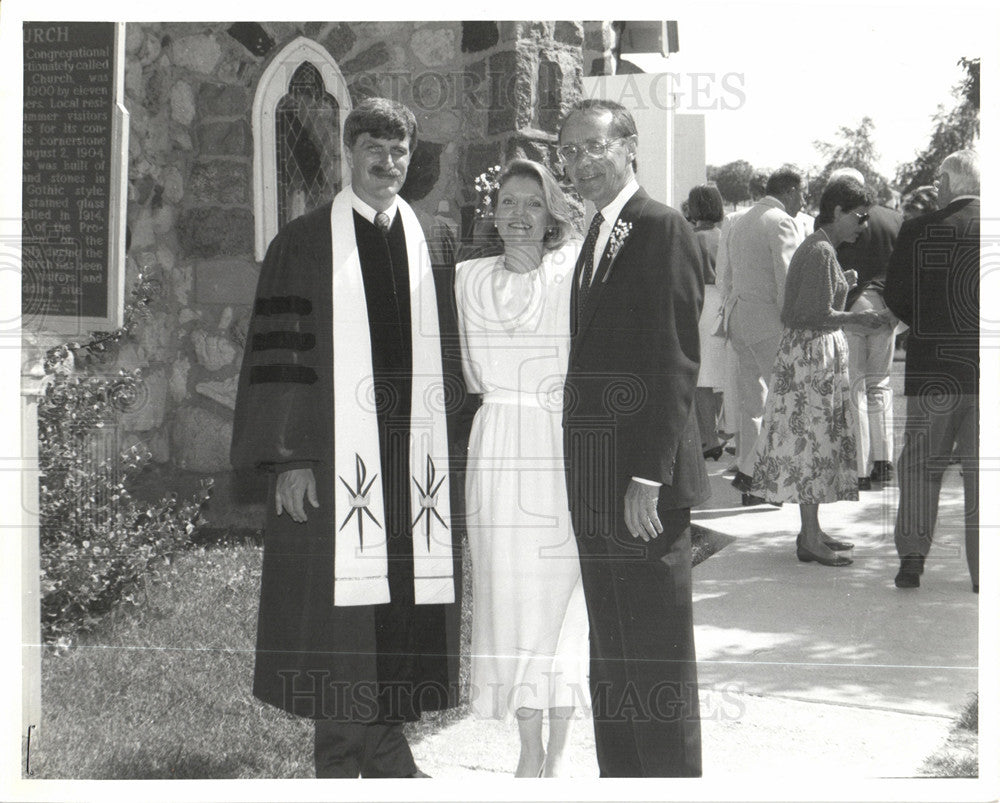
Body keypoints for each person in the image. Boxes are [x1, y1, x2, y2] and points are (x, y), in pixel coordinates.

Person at [230, 98, 461, 778]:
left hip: (412, 460)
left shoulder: (434, 241)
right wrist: (291, 456)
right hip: (335, 457)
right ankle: (336, 754)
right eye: (374, 151)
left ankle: (386, 744)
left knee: (401, 601)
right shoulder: (302, 244)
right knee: (340, 612)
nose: (388, 164)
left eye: (400, 153)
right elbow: (279, 359)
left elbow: (453, 353)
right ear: (347, 154)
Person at [558, 98, 709, 777]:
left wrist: (648, 472)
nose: (582, 161)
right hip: (596, 482)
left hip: (641, 486)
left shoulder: (660, 226)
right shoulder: (594, 234)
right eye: (570, 151)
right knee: (612, 649)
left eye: (595, 146)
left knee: (654, 651)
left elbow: (675, 357)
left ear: (629, 146)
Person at [455, 159, 587, 778]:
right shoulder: (463, 278)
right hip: (497, 450)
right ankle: (527, 746)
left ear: (553, 212)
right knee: (507, 597)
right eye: (507, 202)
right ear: (493, 210)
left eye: (533, 203)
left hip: (558, 447)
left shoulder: (573, 272)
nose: (518, 215)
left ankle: (556, 752)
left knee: (559, 600)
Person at [747, 178, 887, 566]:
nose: (862, 225)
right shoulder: (822, 251)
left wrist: (844, 286)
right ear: (838, 211)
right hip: (812, 359)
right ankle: (809, 536)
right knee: (813, 445)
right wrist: (863, 318)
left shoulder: (820, 246)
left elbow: (806, 307)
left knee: (815, 444)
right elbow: (808, 315)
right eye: (859, 217)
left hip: (808, 356)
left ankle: (812, 531)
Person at [884, 150, 979, 592]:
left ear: (945, 182)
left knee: (922, 469)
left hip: (932, 371)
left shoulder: (919, 229)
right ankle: (984, 571)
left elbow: (897, 298)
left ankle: (912, 560)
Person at [725, 167, 807, 505]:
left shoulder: (741, 220)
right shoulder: (782, 221)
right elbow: (788, 282)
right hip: (771, 323)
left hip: (740, 319)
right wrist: (797, 325)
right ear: (789, 191)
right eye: (803, 192)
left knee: (752, 404)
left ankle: (755, 480)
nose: (805, 200)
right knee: (784, 401)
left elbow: (728, 275)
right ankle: (758, 477)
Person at [830, 169, 904, 489]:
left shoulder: (842, 219)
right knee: (880, 385)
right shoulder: (894, 218)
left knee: (856, 387)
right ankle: (883, 461)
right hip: (885, 308)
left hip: (852, 305)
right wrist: (897, 311)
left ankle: (859, 467)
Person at [716, 168, 768, 463]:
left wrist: (729, 305)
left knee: (747, 394)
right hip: (774, 318)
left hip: (741, 313)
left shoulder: (735, 220)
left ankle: (747, 462)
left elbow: (724, 272)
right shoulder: (795, 221)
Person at [686, 183, 728, 459]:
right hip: (723, 301)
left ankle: (708, 437)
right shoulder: (724, 236)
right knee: (719, 376)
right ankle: (719, 431)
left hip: (701, 302)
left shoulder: (692, 237)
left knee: (701, 377)